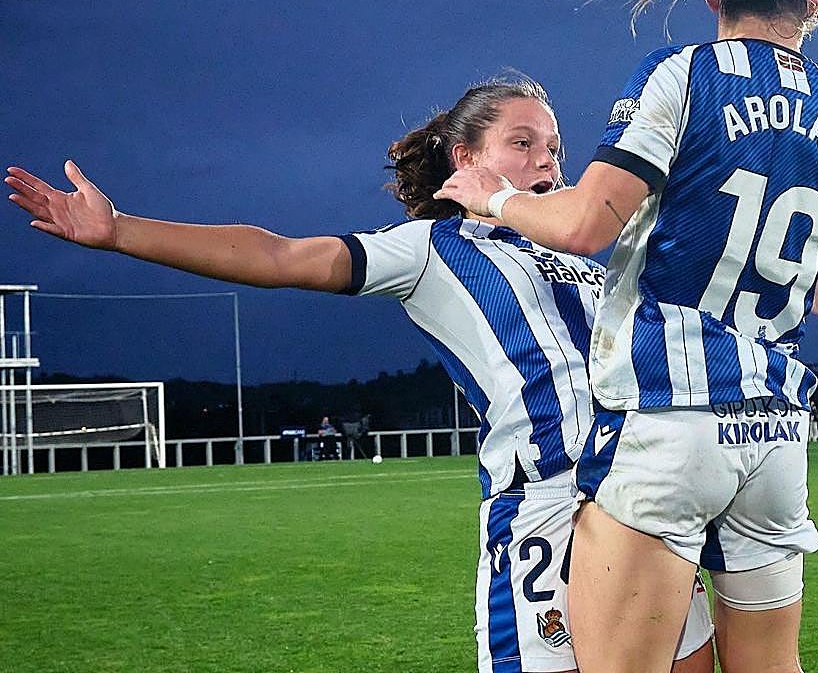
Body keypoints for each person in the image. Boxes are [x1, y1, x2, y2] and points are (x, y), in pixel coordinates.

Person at [5, 77, 714, 673]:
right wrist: (119, 228)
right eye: (522, 142)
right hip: (546, 508)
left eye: (554, 146)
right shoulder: (431, 247)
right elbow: (281, 258)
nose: (545, 159)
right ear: (465, 159)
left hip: (639, 497)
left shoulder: (585, 259)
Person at [434, 0, 818, 673]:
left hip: (668, 420)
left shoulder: (685, 77)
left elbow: (579, 227)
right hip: (777, 432)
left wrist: (494, 198)